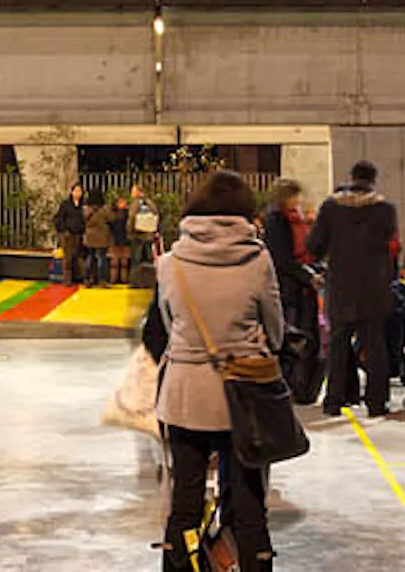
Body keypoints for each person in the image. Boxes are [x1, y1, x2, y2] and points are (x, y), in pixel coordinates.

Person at [142, 169, 287, 572]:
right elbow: (275, 329)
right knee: (248, 501)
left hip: (186, 395)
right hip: (245, 395)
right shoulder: (259, 260)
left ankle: (180, 565)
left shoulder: (170, 263)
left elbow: (168, 327)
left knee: (185, 501)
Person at [304, 160, 402, 417]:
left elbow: (314, 245)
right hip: (374, 288)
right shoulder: (385, 209)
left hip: (340, 287)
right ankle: (377, 403)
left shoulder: (331, 207)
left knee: (338, 346)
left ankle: (334, 401)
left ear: (352, 177)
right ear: (373, 180)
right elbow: (391, 247)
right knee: (375, 346)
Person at [257, 178, 324, 412]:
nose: (298, 200)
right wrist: (308, 276)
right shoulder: (276, 220)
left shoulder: (295, 217)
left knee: (302, 340)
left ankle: (300, 387)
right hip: (287, 289)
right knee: (289, 341)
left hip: (301, 288)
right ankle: (287, 387)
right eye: (294, 196)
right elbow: (282, 259)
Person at [53, 183, 93, 287]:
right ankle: (67, 280)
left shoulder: (83, 205)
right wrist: (63, 230)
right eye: (76, 191)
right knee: (68, 258)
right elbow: (59, 218)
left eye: (79, 191)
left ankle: (84, 278)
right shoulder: (66, 204)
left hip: (79, 234)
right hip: (68, 235)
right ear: (72, 192)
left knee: (80, 257)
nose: (77, 193)